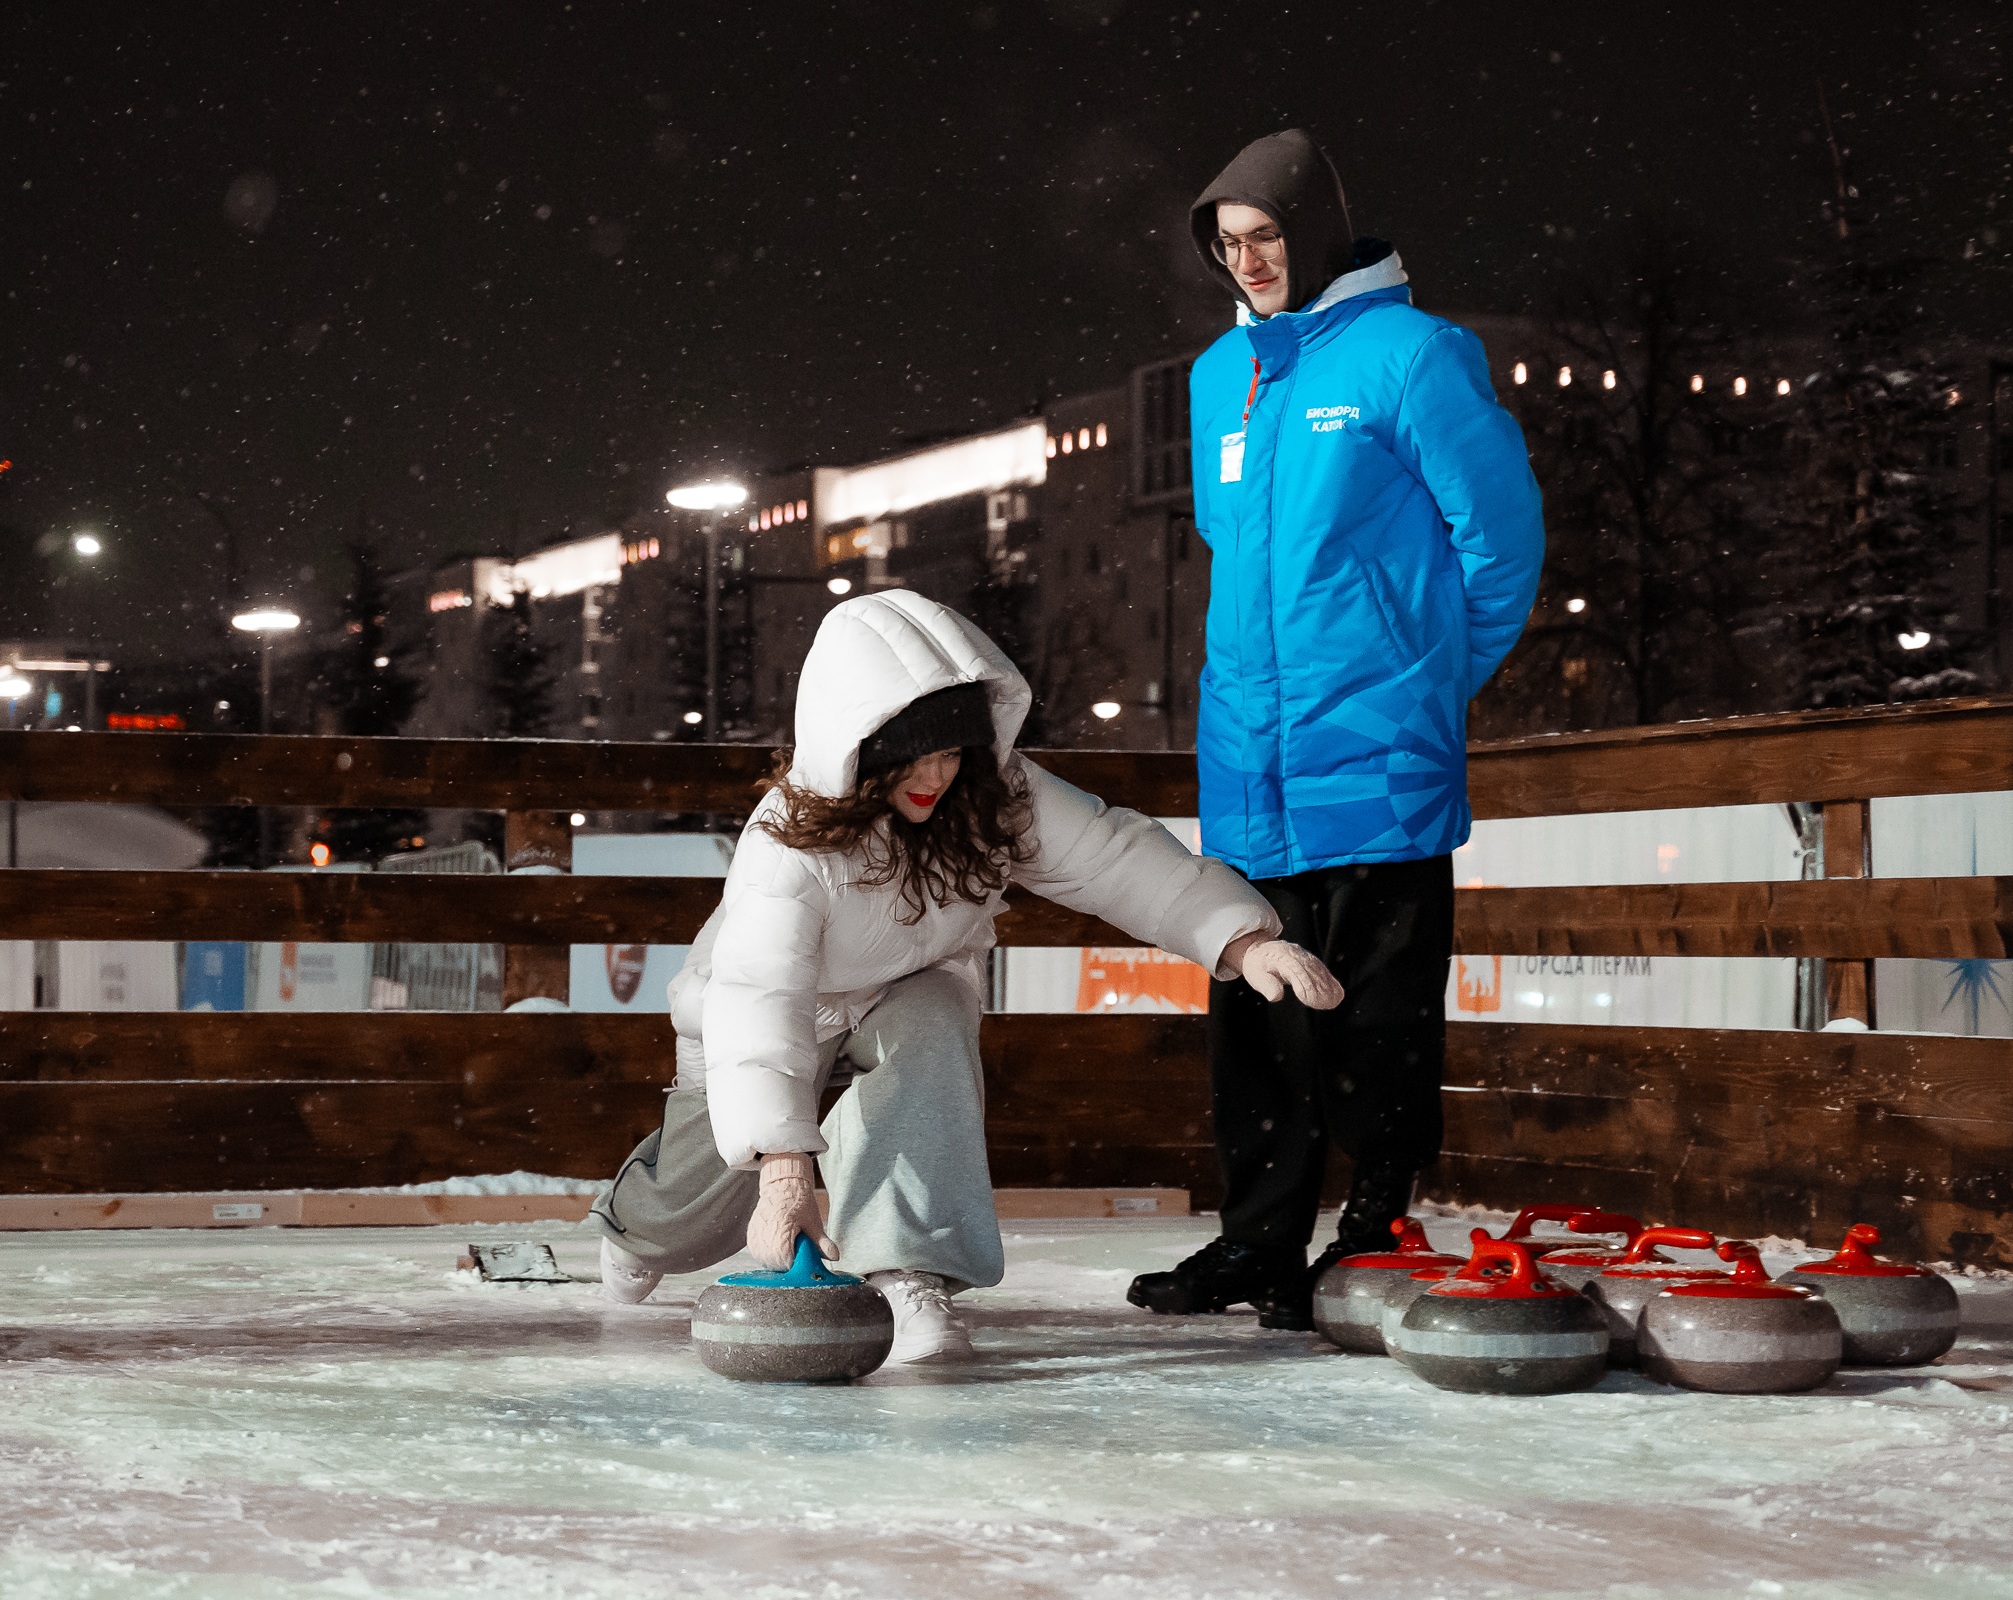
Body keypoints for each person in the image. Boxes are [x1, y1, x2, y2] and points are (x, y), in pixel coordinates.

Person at [593, 591, 1343, 1362]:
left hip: (913, 981)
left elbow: (1114, 859)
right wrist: (786, 1174)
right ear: (861, 747)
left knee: (932, 1026)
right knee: (705, 1196)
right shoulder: (788, 845)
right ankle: (638, 1228)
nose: (935, 776)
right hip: (776, 1010)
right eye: (912, 756)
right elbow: (762, 999)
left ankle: (913, 1272)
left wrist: (1245, 940)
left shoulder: (995, 793)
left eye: (951, 751)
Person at [1127, 128, 1544, 1329]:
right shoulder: (1222, 377)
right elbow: (1241, 559)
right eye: (1228, 244)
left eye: (1264, 238)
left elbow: (1501, 543)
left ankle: (1377, 1232)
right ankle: (1258, 1243)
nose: (1247, 262)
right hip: (1251, 763)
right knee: (1258, 1020)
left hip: (1379, 760)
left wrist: (1423, 684)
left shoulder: (1414, 357)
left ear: (1311, 233)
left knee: (1378, 1018)